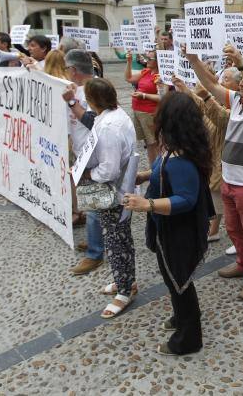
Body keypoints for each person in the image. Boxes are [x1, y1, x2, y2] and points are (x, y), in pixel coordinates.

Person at [123, 92, 214, 356]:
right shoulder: (177, 148)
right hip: (169, 228)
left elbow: (186, 199)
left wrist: (148, 205)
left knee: (179, 280)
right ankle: (181, 316)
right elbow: (164, 170)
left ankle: (188, 338)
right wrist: (145, 176)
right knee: (174, 279)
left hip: (179, 232)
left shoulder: (182, 158)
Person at [186, 44, 243, 300]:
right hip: (230, 178)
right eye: (241, 79)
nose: (241, 82)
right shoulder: (236, 99)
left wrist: (242, 63)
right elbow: (210, 86)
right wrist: (194, 61)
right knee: (234, 229)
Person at [81, 78, 137, 319]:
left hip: (113, 192)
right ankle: (125, 280)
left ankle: (124, 290)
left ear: (93, 100)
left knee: (115, 241)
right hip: (121, 189)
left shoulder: (108, 126)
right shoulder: (117, 114)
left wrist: (86, 173)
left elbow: (109, 170)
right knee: (121, 238)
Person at [172, 67, 241, 242]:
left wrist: (206, 95)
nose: (221, 81)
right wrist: (185, 89)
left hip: (227, 159)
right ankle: (215, 228)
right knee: (214, 194)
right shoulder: (221, 99)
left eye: (226, 79)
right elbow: (203, 107)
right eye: (222, 77)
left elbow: (220, 117)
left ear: (238, 84)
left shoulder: (238, 103)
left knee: (227, 201)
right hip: (212, 155)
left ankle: (238, 239)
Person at [62, 50, 104, 274]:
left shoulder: (95, 89)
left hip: (94, 154)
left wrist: (70, 103)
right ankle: (95, 236)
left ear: (74, 69)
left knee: (94, 202)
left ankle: (95, 253)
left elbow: (94, 121)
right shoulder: (75, 87)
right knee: (92, 202)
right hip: (81, 152)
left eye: (67, 68)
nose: (66, 72)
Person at [125, 50, 160, 164]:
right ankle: (152, 168)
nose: (146, 60)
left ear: (158, 61)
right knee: (148, 143)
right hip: (139, 111)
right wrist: (129, 62)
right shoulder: (146, 71)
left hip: (149, 112)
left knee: (154, 143)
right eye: (147, 58)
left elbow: (162, 97)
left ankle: (157, 169)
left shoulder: (159, 76)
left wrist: (144, 95)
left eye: (150, 59)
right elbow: (129, 78)